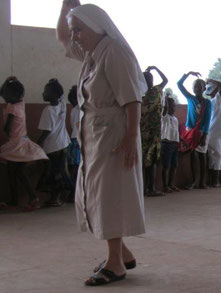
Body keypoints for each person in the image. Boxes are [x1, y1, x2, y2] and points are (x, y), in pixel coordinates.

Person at [58, 1, 147, 285]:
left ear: (96, 27)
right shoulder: (92, 54)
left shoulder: (114, 52)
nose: (74, 36)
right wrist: (66, 7)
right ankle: (123, 253)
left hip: (114, 136)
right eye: (74, 30)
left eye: (79, 30)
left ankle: (115, 264)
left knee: (108, 195)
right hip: (96, 136)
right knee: (95, 194)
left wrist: (131, 138)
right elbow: (61, 37)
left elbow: (132, 98)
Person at [0, 77, 48, 211]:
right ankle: (18, 199)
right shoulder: (21, 103)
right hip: (23, 141)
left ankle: (31, 198)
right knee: (15, 172)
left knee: (17, 172)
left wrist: (6, 83)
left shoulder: (11, 109)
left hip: (15, 144)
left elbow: (6, 128)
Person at [37, 78, 73, 207]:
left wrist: (37, 144)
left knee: (53, 173)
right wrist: (56, 82)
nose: (43, 94)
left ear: (54, 95)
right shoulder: (62, 105)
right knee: (62, 170)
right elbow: (62, 96)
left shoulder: (48, 110)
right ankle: (70, 193)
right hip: (63, 144)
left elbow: (46, 131)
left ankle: (55, 198)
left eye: (46, 91)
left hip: (52, 147)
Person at [178, 71, 213, 189]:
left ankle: (202, 182)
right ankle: (194, 182)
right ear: (193, 89)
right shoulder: (190, 98)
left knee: (202, 156)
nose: (197, 88)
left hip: (202, 132)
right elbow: (179, 84)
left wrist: (204, 135)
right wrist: (187, 74)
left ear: (204, 89)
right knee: (193, 155)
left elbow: (207, 120)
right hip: (191, 131)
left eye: (200, 86)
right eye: (195, 86)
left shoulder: (207, 102)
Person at [141, 65, 168, 197]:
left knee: (149, 161)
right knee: (150, 161)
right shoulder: (148, 92)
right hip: (148, 133)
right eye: (148, 79)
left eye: (150, 79)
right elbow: (165, 80)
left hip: (150, 133)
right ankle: (149, 188)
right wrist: (156, 69)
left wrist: (155, 69)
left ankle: (148, 188)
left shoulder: (144, 93)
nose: (150, 81)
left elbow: (165, 81)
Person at [205, 78, 221, 187]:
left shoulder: (208, 102)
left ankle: (213, 180)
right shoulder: (216, 100)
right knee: (217, 156)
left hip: (209, 131)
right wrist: (211, 80)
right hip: (215, 132)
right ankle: (215, 181)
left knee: (211, 157)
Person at [160, 94, 180, 192]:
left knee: (174, 165)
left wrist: (181, 140)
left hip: (174, 144)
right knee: (166, 165)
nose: (173, 107)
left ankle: (171, 184)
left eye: (174, 106)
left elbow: (176, 132)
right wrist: (165, 100)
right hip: (166, 143)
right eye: (171, 105)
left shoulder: (175, 119)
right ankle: (165, 186)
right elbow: (164, 109)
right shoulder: (164, 117)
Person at [67, 85, 80, 195]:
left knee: (75, 167)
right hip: (76, 139)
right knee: (75, 167)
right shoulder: (76, 109)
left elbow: (74, 126)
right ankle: (74, 191)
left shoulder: (78, 109)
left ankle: (74, 191)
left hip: (77, 140)